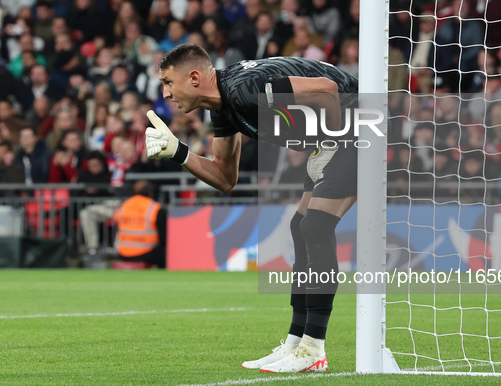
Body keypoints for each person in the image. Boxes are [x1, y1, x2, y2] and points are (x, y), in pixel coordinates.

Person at [145, 43, 358, 373]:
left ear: (195, 77)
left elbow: (327, 89)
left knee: (314, 226)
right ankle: (296, 342)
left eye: (169, 83)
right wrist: (178, 151)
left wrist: (329, 140)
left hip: (361, 124)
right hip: (340, 132)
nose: (167, 94)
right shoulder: (223, 108)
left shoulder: (247, 89)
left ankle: (314, 348)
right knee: (300, 229)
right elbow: (225, 177)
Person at [113, 180, 166, 268]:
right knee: (167, 252)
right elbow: (163, 235)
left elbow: (116, 223)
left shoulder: (124, 205)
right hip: (146, 252)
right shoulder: (155, 207)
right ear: (150, 192)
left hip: (123, 252)